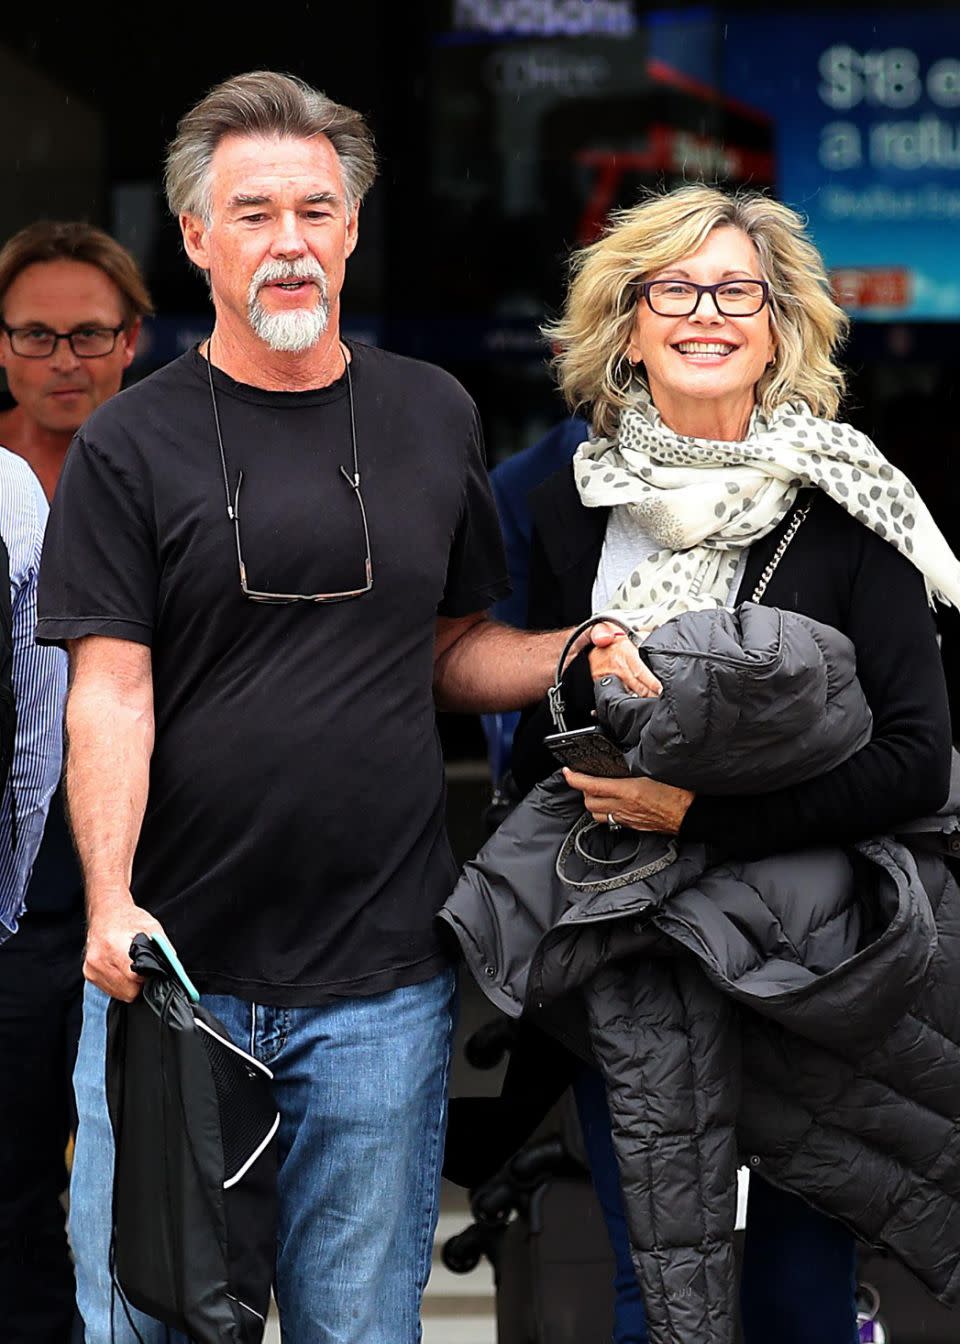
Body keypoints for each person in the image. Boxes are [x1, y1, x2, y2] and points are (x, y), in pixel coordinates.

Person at [35, 72, 641, 1344]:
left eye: (318, 207)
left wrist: (573, 649)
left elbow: (449, 650)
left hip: (380, 987)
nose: (291, 240)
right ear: (196, 238)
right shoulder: (128, 446)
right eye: (253, 213)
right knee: (145, 1323)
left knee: (358, 1328)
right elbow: (111, 692)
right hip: (175, 984)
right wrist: (106, 902)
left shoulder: (432, 413)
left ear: (355, 228)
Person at [510, 183, 955, 1344]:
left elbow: (917, 762)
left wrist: (695, 811)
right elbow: (521, 725)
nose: (705, 313)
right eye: (675, 289)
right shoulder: (564, 504)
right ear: (628, 321)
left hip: (803, 971)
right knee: (655, 1299)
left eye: (736, 292)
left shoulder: (854, 508)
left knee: (799, 1304)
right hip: (634, 963)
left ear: (777, 325)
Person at [0, 221, 150, 1344]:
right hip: (10, 915)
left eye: (89, 334)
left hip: (150, 900)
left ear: (133, 339)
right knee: (9, 1196)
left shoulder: (181, 473)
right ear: (2, 348)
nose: (65, 359)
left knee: (142, 1198)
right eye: (37, 334)